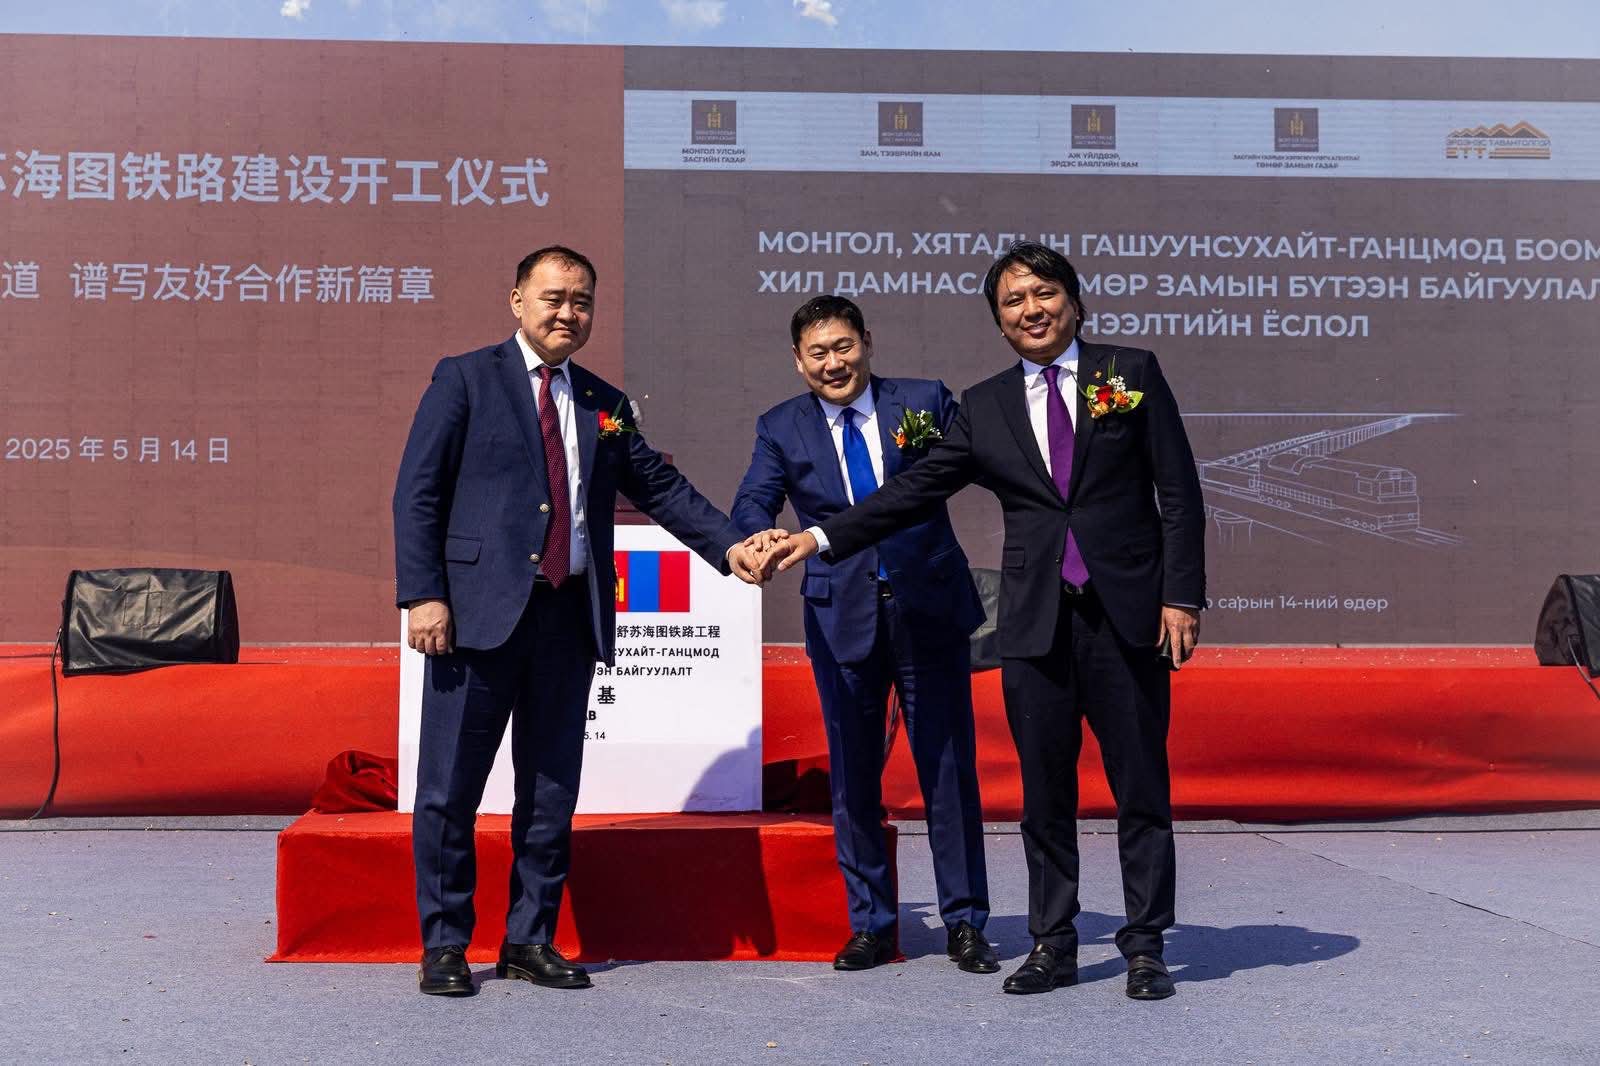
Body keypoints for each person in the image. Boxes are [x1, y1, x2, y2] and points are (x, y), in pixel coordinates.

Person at [767, 242, 1206, 999]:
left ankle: (1144, 946)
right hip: (1035, 621)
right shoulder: (985, 404)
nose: (1031, 309)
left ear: (1073, 302)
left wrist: (1182, 596)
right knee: (1044, 794)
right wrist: (820, 537)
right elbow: (914, 489)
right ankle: (1053, 943)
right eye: (1013, 301)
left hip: (1128, 614)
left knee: (1140, 786)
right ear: (1000, 323)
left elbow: (1180, 489)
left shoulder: (1130, 373)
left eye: (1043, 293)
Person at [393, 245, 775, 996]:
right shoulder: (464, 378)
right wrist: (423, 594)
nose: (568, 313)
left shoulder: (605, 400)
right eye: (554, 297)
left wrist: (732, 546)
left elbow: (659, 487)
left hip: (568, 619)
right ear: (517, 301)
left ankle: (528, 938)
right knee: (450, 789)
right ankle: (445, 944)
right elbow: (418, 492)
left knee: (549, 790)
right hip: (474, 619)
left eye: (582, 301)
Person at [731, 295, 996, 974]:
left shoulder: (923, 401)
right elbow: (754, 499)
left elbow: (970, 463)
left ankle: (966, 922)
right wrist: (758, 535)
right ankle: (871, 923)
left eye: (843, 347)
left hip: (926, 604)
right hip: (840, 611)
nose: (833, 363)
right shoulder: (781, 425)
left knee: (947, 767)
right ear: (798, 361)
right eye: (817, 353)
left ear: (868, 343)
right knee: (853, 773)